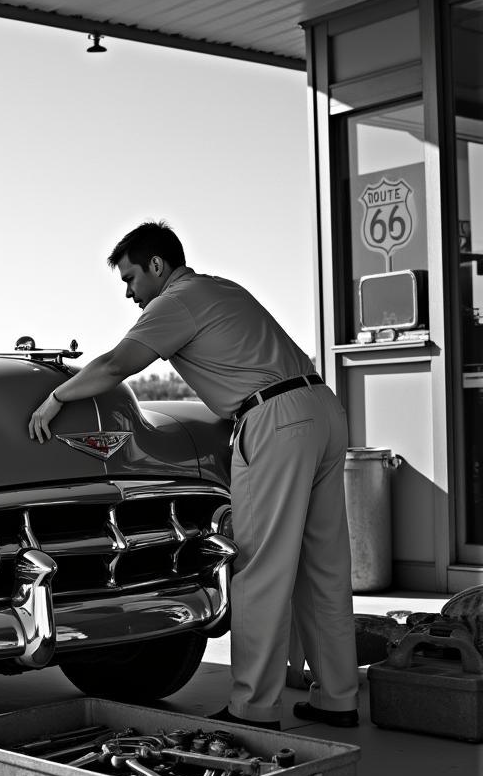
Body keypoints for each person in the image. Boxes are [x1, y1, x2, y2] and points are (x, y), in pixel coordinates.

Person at [27, 220, 359, 730]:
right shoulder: (220, 289)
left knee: (261, 569)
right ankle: (338, 698)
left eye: (131, 278)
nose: (130, 293)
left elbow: (117, 364)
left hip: (275, 420)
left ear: (158, 266)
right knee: (325, 566)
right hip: (322, 410)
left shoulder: (176, 302)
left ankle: (254, 707)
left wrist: (55, 398)